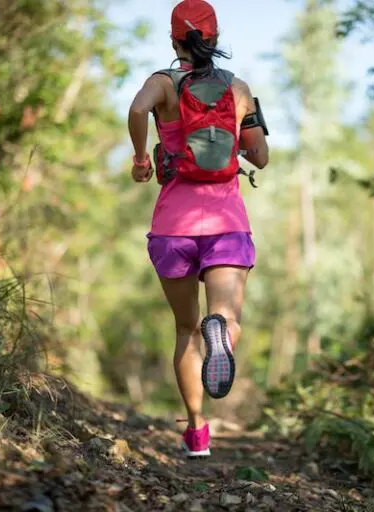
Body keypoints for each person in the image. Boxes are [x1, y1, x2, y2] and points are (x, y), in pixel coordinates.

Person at [127, 0, 269, 458]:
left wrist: (141, 157)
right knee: (225, 318)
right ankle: (222, 335)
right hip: (226, 222)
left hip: (173, 227)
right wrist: (235, 145)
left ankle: (196, 430)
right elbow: (260, 156)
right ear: (214, 39)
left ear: (174, 41)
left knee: (185, 329)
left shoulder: (163, 83)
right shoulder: (239, 88)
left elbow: (135, 109)